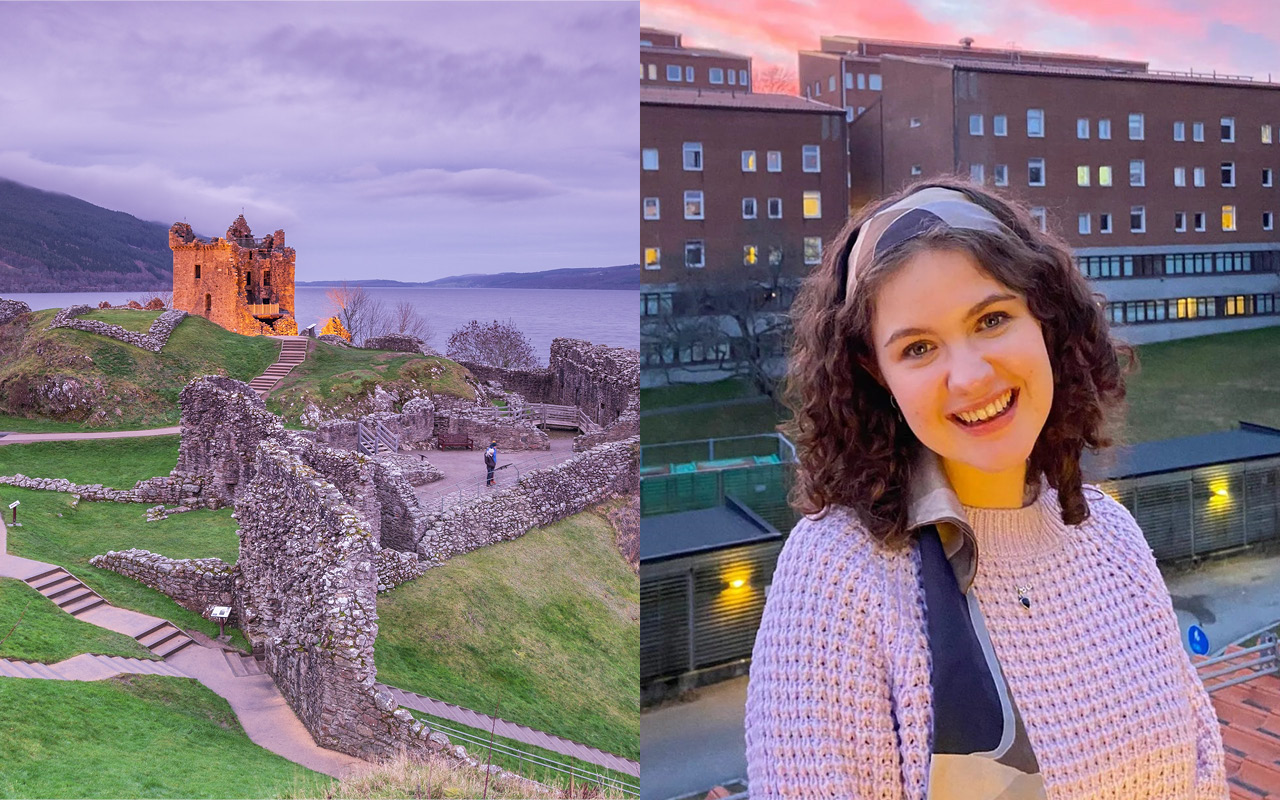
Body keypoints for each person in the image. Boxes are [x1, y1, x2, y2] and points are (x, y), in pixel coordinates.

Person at [744, 181, 1227, 799]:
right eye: (918, 348)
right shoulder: (840, 576)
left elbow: (1202, 773)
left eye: (992, 319)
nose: (969, 376)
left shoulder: (1112, 537)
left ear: (1044, 318)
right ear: (876, 373)